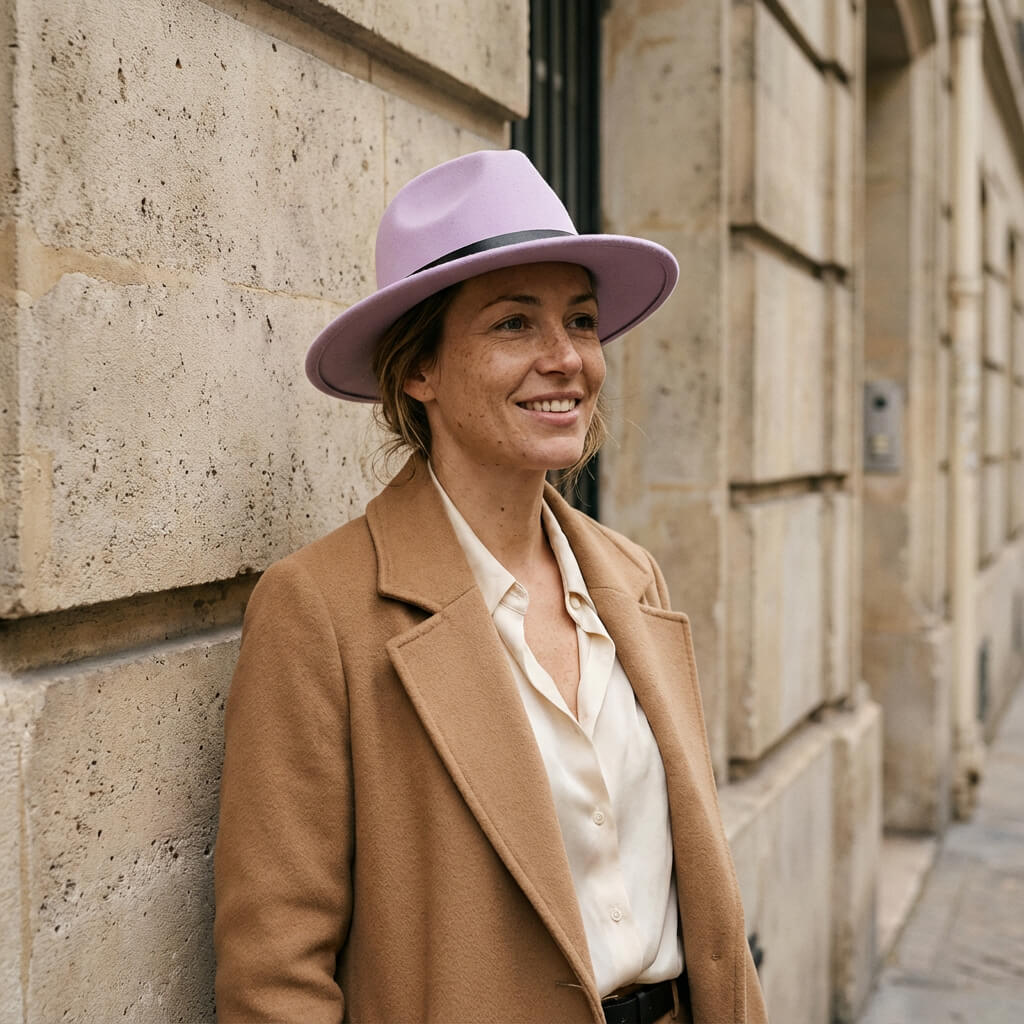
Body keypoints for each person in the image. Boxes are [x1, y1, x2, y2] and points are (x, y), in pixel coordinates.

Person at [213, 149, 769, 1024]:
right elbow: (275, 974)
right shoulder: (320, 609)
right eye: (515, 324)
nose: (566, 359)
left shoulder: (630, 578)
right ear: (418, 370)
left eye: (581, 321)